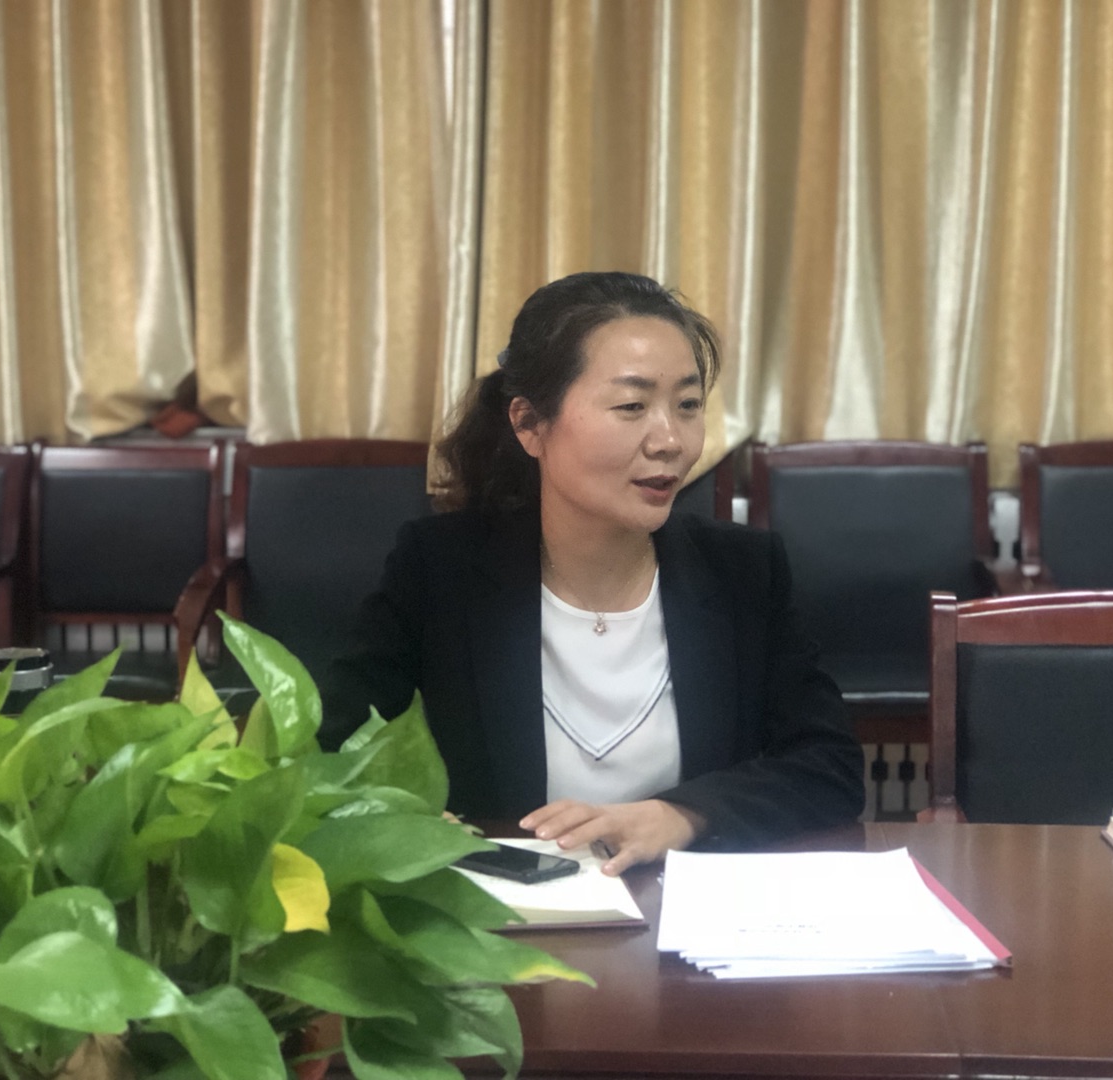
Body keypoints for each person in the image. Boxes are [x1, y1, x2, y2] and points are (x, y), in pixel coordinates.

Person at [319, 271, 864, 873]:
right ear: (530, 424)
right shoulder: (441, 569)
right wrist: (407, 816)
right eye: (632, 406)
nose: (670, 440)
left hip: (685, 911)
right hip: (513, 913)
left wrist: (682, 815)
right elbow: (331, 754)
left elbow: (829, 768)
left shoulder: (742, 571)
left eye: (687, 406)